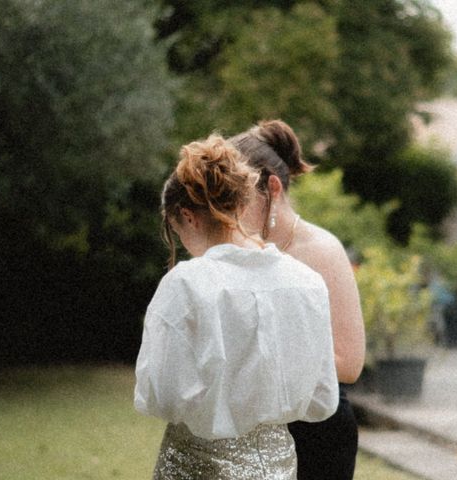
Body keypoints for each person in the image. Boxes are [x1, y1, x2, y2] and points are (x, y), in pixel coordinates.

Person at [134, 134, 339, 479]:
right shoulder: (307, 282)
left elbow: (161, 395)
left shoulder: (187, 283)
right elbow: (323, 397)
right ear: (241, 205)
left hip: (198, 463)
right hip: (278, 462)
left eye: (177, 230)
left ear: (187, 216)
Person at [230, 120, 366, 480]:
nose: (225, 215)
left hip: (316, 431)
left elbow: (349, 363)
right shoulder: (231, 252)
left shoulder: (323, 250)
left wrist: (259, 353)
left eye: (234, 200)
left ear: (271, 189)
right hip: (246, 429)